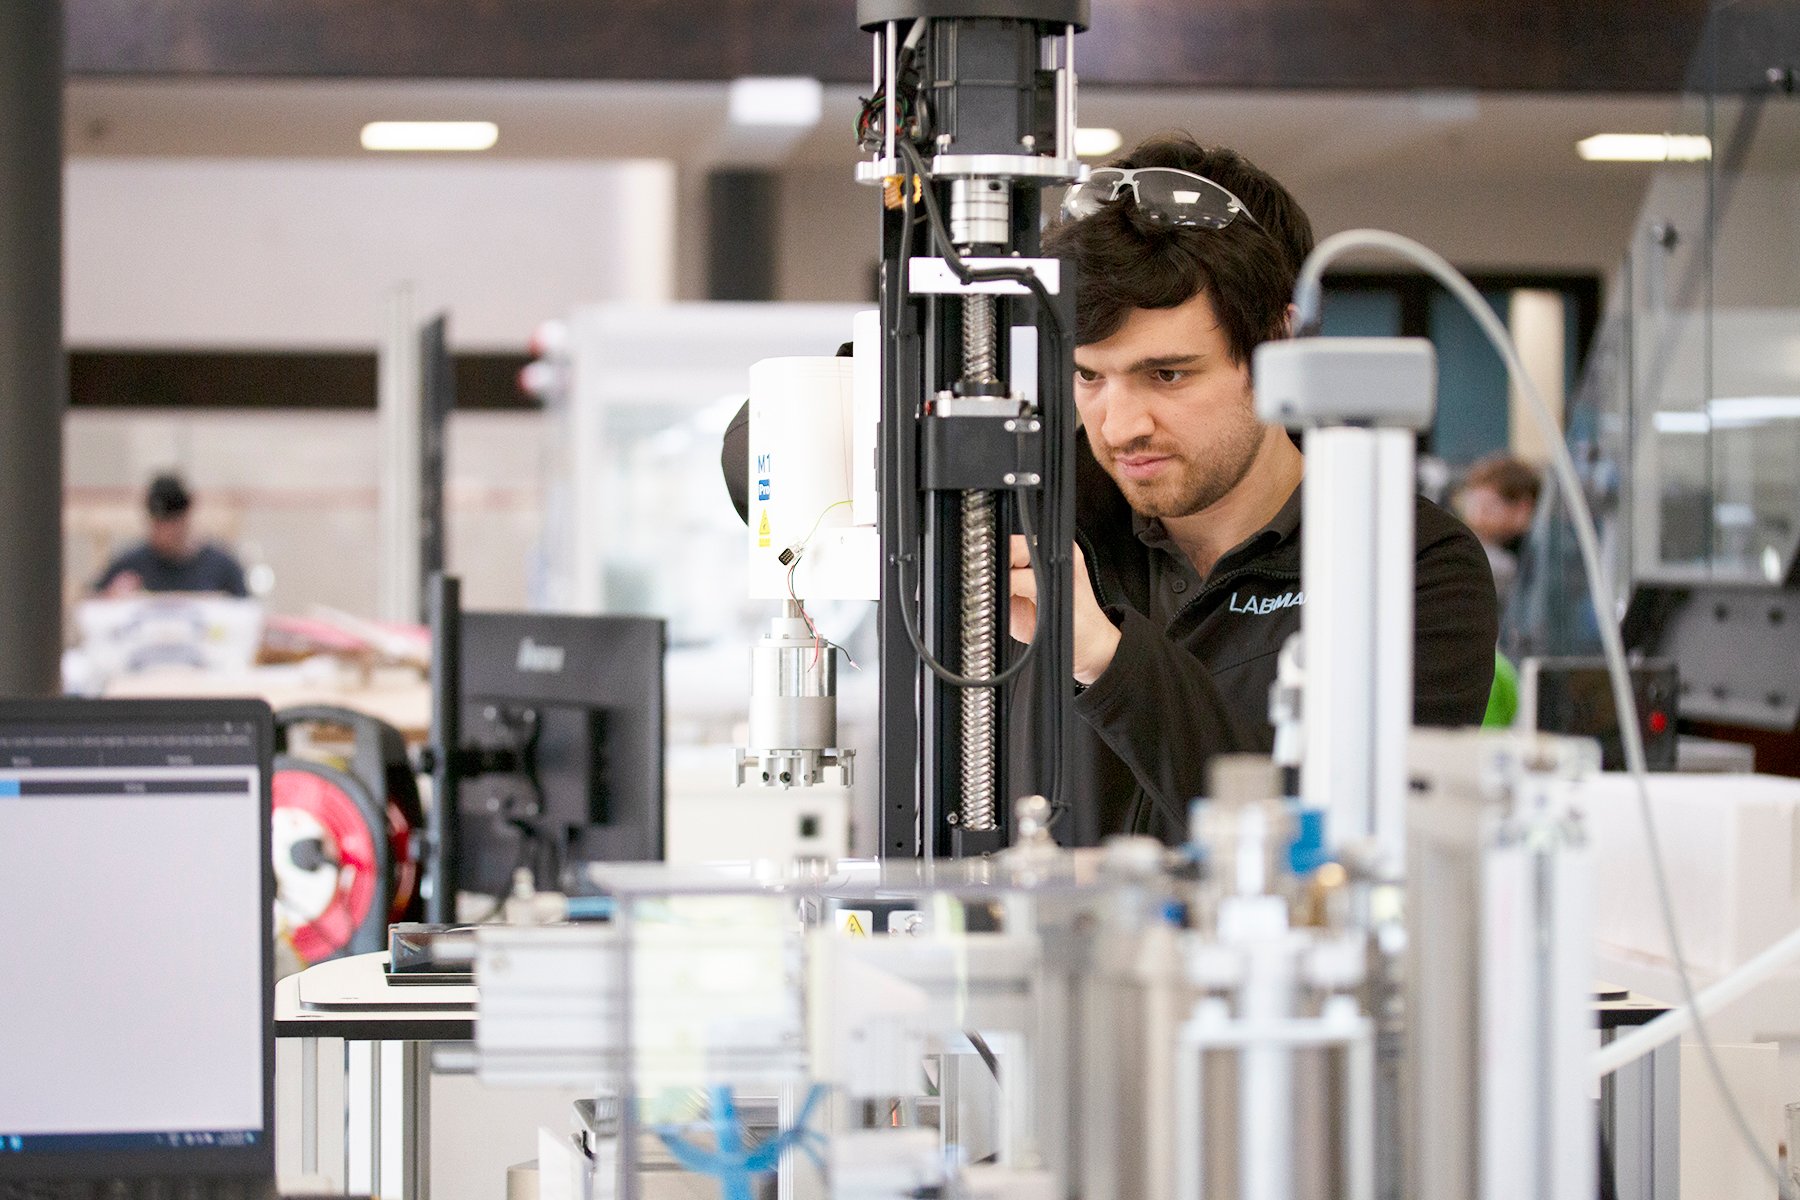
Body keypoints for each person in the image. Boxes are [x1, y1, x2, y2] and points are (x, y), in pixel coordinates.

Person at [1008, 135, 1498, 844]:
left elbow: (1347, 848)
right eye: (1089, 376)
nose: (1119, 426)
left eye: (1167, 375)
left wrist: (1108, 661)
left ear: (1277, 345)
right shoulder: (1030, 519)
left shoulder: (1412, 566)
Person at [94, 473, 250, 598]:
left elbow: (247, 613)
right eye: (157, 525)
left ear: (185, 518)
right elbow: (90, 604)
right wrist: (109, 598)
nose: (163, 533)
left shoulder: (222, 568)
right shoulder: (130, 566)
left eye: (170, 524)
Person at [1454, 452, 1541, 607]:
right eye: (1472, 505)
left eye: (1488, 508)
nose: (1476, 517)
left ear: (1523, 508)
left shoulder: (1544, 554)